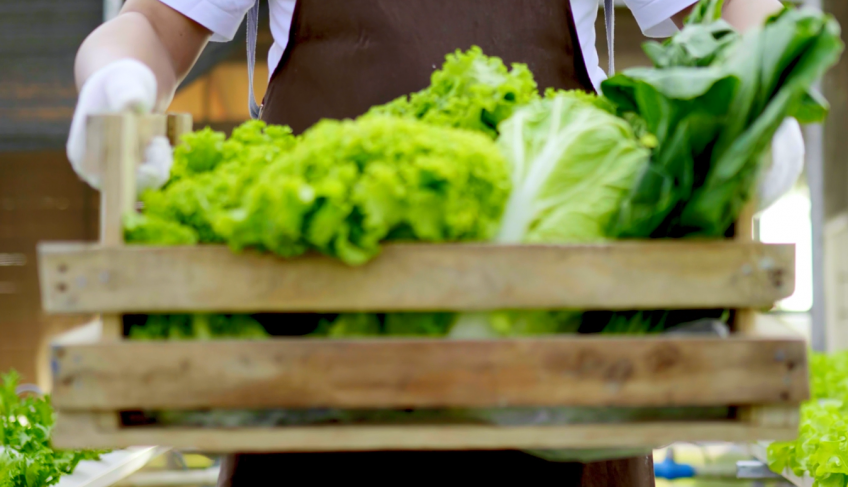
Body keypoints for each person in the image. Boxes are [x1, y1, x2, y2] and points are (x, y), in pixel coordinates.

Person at [66, 0, 800, 485]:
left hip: (567, 376)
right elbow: (152, 24)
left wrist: (753, 96)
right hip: (312, 372)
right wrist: (115, 81)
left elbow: (735, 9)